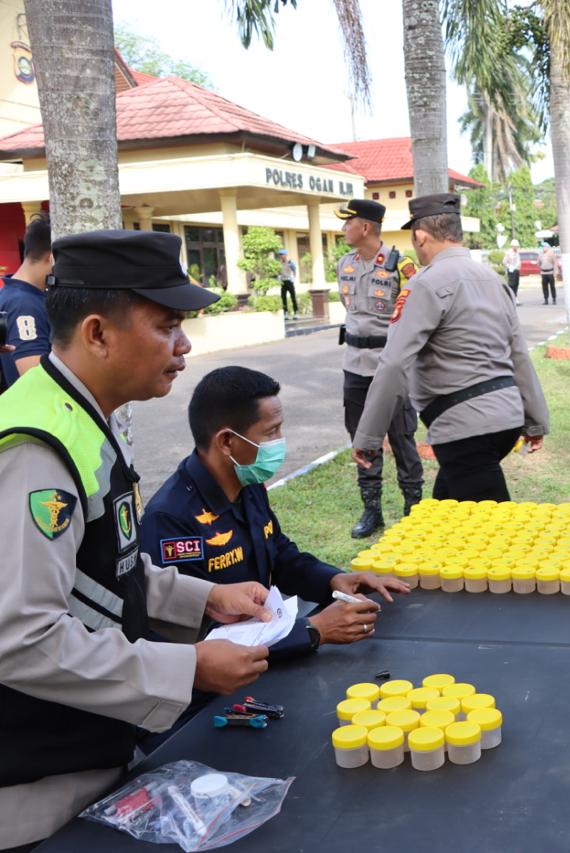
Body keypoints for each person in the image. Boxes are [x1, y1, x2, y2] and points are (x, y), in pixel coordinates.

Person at [0, 230, 275, 851]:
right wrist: (187, 667)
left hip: (88, 743)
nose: (183, 346)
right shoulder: (36, 447)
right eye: (167, 325)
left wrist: (204, 597)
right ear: (97, 333)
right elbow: (20, 638)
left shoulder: (83, 412)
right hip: (38, 780)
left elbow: (103, 566)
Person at [142, 365, 409, 661]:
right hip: (218, 683)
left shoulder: (247, 481)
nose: (279, 441)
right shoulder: (171, 519)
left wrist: (333, 580)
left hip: (267, 649)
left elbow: (279, 554)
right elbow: (194, 639)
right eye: (270, 432)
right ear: (227, 441)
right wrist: (311, 630)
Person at [352, 193, 550, 502]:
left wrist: (368, 437)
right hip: (506, 420)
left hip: (466, 428)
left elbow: (392, 363)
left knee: (493, 533)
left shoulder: (424, 284)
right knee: (446, 510)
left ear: (420, 236)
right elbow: (519, 355)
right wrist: (535, 419)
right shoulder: (492, 280)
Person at [334, 198, 425, 539]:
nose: (344, 229)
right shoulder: (344, 264)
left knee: (401, 438)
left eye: (348, 223)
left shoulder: (402, 267)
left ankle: (413, 509)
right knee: (362, 438)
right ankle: (372, 511)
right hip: (354, 367)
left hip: (390, 368)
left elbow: (414, 317)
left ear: (366, 227)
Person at [0, 215, 53, 393]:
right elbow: (34, 377)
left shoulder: (11, 294)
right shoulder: (24, 304)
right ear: (51, 258)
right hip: (39, 414)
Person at [277, 248, 298, 319]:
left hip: (289, 281)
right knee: (283, 298)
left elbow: (294, 270)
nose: (281, 256)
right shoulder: (279, 264)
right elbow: (278, 272)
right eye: (280, 255)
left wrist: (293, 278)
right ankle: (285, 313)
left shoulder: (290, 263)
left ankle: (296, 312)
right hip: (283, 282)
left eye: (282, 254)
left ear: (286, 255)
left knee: (293, 297)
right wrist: (279, 277)